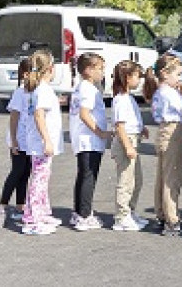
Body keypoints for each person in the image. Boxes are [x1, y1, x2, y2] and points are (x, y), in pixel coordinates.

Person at [143, 54, 182, 236]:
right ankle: (172, 219)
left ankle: (162, 214)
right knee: (172, 177)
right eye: (178, 75)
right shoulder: (168, 93)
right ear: (165, 74)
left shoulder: (164, 92)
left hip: (167, 133)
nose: (180, 79)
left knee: (163, 176)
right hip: (173, 134)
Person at [22, 49, 65, 235]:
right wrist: (47, 141)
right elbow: (39, 116)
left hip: (37, 142)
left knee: (41, 178)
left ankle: (42, 212)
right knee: (39, 180)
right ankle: (33, 220)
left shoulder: (37, 89)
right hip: (41, 143)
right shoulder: (43, 90)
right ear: (50, 68)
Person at [69, 53, 112, 231]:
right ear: (88, 70)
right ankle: (84, 215)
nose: (103, 72)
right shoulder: (87, 89)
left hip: (85, 140)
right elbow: (84, 114)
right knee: (88, 176)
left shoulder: (83, 87)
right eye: (100, 68)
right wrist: (100, 132)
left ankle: (80, 211)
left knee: (84, 175)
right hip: (89, 140)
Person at [0, 58, 32, 228]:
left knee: (26, 173)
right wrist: (14, 141)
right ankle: (1, 206)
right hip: (18, 140)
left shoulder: (34, 91)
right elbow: (14, 118)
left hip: (29, 141)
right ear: (26, 74)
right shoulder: (20, 92)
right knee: (17, 172)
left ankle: (20, 207)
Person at [111, 60, 149, 231]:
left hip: (133, 139)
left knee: (137, 180)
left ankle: (130, 211)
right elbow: (119, 126)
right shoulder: (119, 99)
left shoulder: (129, 98)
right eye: (136, 76)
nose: (139, 80)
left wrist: (142, 128)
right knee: (125, 181)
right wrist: (127, 146)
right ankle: (121, 216)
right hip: (126, 142)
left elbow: (132, 120)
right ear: (127, 78)